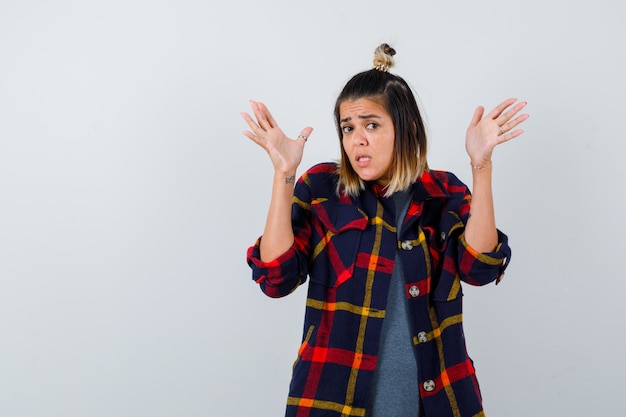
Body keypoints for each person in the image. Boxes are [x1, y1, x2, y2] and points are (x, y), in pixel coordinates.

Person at [241, 43, 529, 417]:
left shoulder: (443, 193)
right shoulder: (322, 189)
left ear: (406, 127)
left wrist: (482, 165)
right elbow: (275, 279)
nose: (356, 139)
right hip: (331, 401)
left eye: (371, 125)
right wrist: (284, 175)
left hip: (437, 400)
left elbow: (479, 269)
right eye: (348, 128)